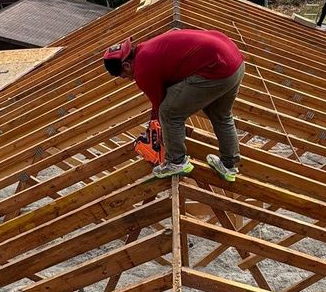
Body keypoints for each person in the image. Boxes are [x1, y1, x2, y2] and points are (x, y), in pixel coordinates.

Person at [103, 29, 245, 180]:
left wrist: (159, 136)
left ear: (126, 65)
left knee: (170, 113)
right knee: (221, 115)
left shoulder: (142, 69)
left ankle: (176, 161)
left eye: (125, 76)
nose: (130, 79)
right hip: (234, 62)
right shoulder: (146, 50)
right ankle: (229, 165)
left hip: (215, 68)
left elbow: (161, 106)